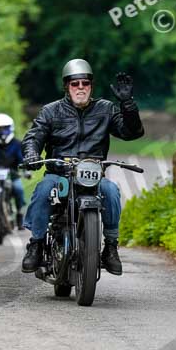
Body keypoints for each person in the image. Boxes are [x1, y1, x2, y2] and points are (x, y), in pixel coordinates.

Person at [21, 59, 144, 275]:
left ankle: (111, 248)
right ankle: (37, 244)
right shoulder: (51, 111)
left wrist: (128, 106)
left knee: (112, 191)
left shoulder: (106, 109)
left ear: (91, 86)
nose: (80, 88)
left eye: (85, 83)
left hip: (93, 176)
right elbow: (34, 136)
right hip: (59, 173)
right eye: (75, 84)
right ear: (66, 87)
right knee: (42, 191)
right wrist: (31, 153)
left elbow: (131, 133)